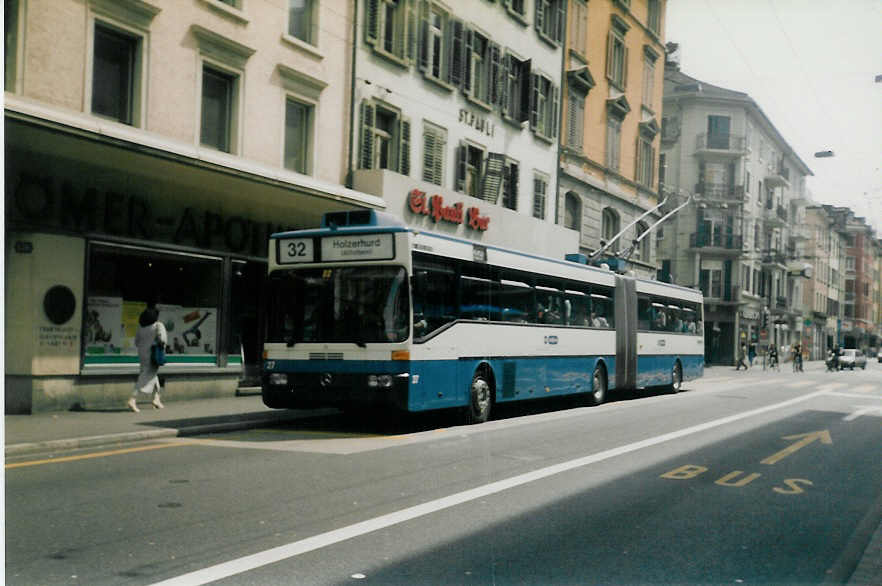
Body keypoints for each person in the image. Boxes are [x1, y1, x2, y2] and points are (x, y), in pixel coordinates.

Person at [129, 305, 168, 412]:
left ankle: (157, 399)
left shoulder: (140, 327)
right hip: (153, 354)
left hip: (142, 354)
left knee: (152, 375)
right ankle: (132, 399)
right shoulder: (158, 325)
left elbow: (136, 342)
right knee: (145, 377)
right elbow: (163, 339)